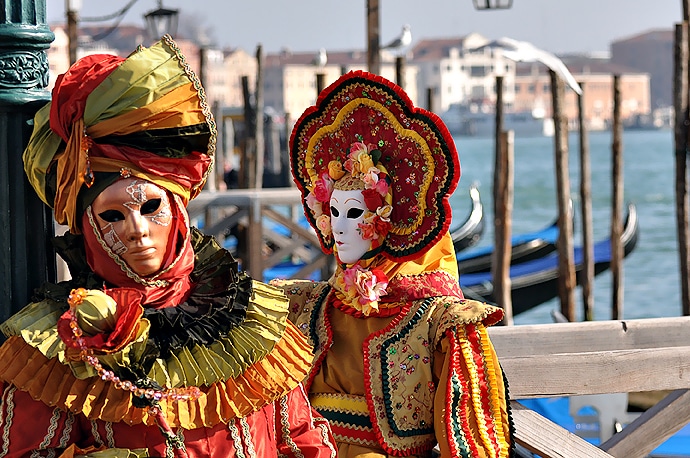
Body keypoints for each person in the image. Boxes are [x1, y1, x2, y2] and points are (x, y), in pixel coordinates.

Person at [0, 35, 337, 458]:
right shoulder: (54, 352)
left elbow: (302, 440)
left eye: (150, 205)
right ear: (87, 229)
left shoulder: (255, 324)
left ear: (177, 207)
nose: (137, 230)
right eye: (112, 216)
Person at [271, 71, 514, 457]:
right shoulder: (306, 308)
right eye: (333, 211)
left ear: (387, 219)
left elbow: (473, 441)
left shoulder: (440, 321)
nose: (339, 227)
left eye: (354, 213)